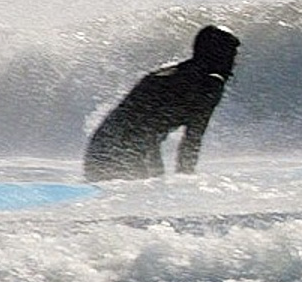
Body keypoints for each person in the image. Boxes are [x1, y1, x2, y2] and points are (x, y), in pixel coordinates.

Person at [83, 24, 239, 181]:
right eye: (231, 53)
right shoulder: (208, 84)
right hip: (122, 152)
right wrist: (186, 182)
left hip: (99, 150)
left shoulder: (168, 73)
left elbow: (143, 129)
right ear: (217, 54)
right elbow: (191, 142)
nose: (234, 62)